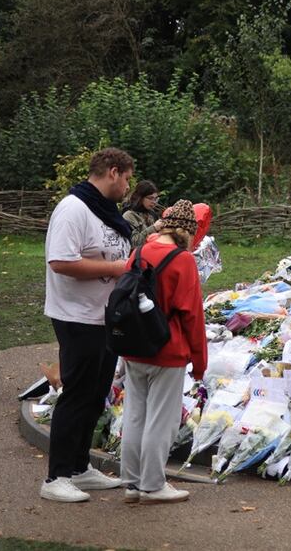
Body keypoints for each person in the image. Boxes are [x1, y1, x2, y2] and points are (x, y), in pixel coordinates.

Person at [41, 147, 133, 503]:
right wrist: (117, 269)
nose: (127, 186)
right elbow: (61, 262)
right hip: (76, 317)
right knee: (77, 395)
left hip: (103, 316)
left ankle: (79, 468)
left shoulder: (102, 210)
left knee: (95, 395)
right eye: (126, 178)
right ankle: (56, 476)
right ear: (113, 172)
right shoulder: (73, 209)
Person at [120, 199, 207, 505]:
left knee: (134, 415)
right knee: (161, 419)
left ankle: (130, 483)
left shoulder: (138, 252)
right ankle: (153, 485)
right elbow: (193, 316)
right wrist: (199, 363)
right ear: (187, 232)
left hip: (134, 347)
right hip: (167, 350)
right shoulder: (183, 260)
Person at [122, 181, 163, 247]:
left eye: (156, 199)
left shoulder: (153, 213)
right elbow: (133, 243)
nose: (154, 202)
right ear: (140, 197)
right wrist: (154, 228)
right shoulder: (129, 215)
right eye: (150, 198)